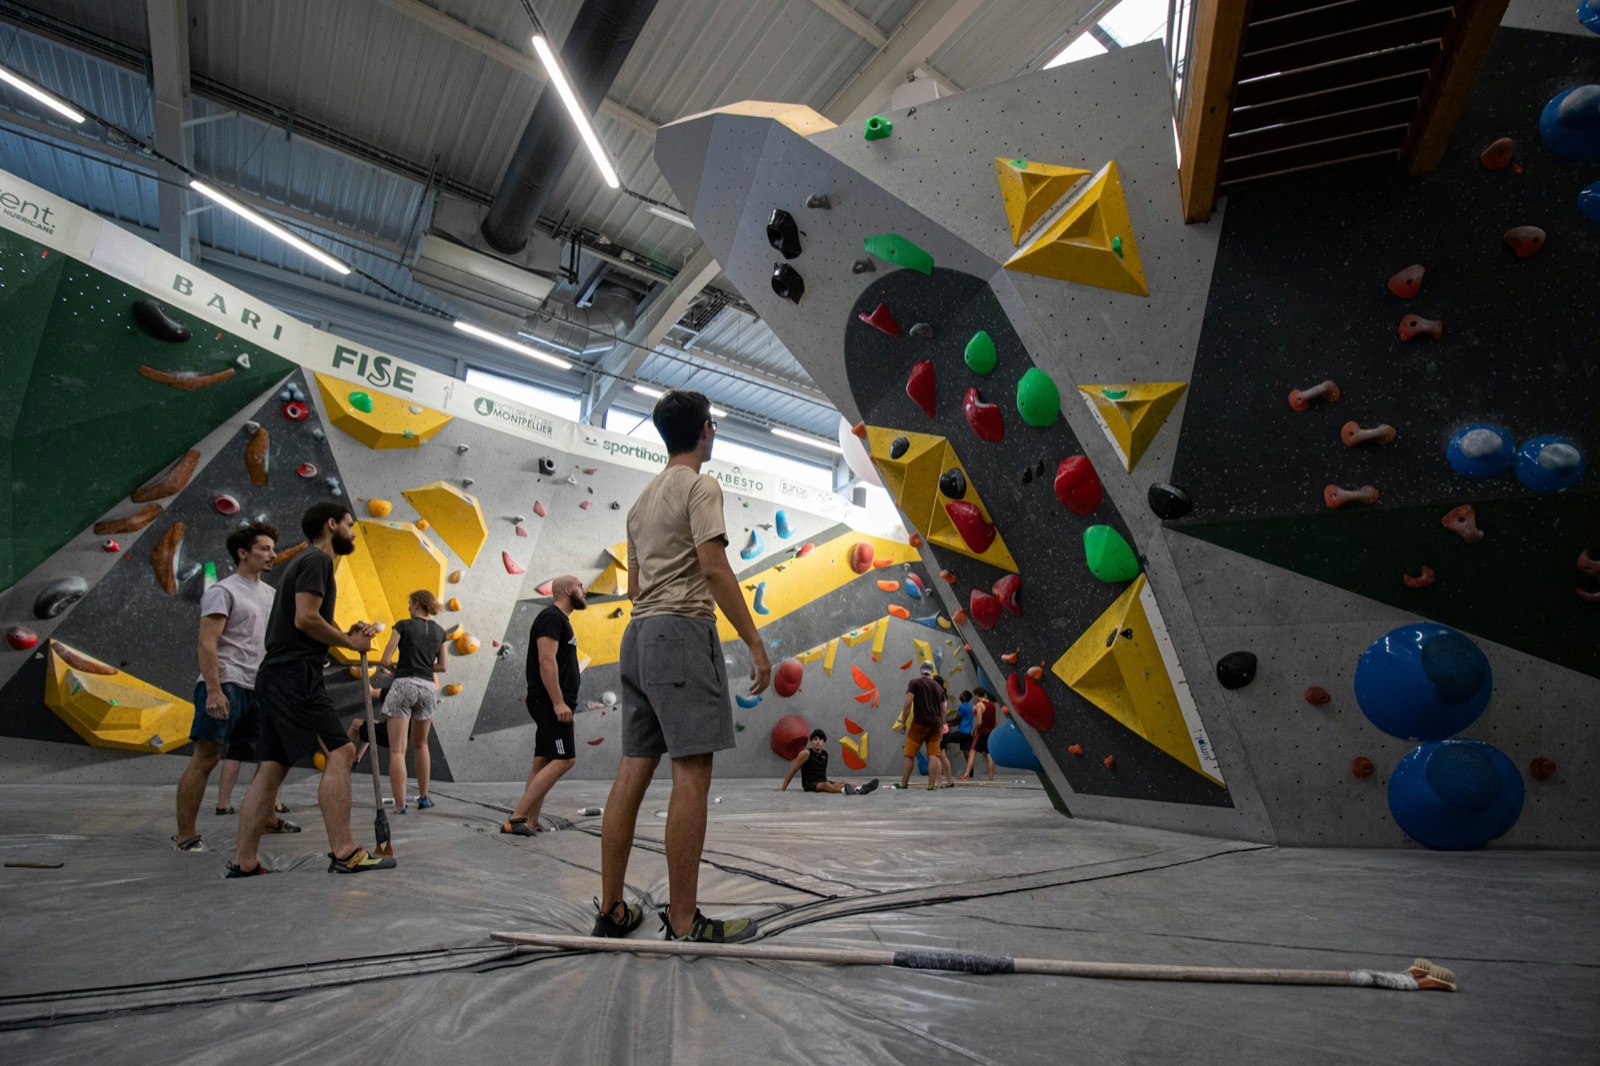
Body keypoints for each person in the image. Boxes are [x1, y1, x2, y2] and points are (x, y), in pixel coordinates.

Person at [592, 390, 770, 944]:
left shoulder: (641, 503)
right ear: (707, 430)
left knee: (633, 768)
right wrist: (756, 644)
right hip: (681, 632)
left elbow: (634, 587)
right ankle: (687, 923)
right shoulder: (700, 486)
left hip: (638, 636)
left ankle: (614, 909)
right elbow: (714, 569)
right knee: (691, 772)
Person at [229, 502, 393, 877]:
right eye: (350, 525)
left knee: (272, 767)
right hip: (295, 675)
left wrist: (347, 634)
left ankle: (244, 861)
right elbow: (306, 620)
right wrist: (351, 645)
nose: (353, 532)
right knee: (342, 750)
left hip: (276, 674)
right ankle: (345, 851)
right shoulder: (318, 561)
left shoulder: (303, 565)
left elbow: (310, 618)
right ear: (331, 524)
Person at [173, 523, 298, 851]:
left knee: (272, 758)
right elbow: (206, 643)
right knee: (207, 757)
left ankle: (268, 819)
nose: (272, 554)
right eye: (265, 548)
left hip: (260, 690)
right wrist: (214, 690)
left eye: (273, 548)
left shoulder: (272, 595)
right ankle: (185, 837)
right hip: (226, 685)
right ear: (243, 553)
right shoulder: (223, 591)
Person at [502, 575, 586, 837]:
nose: (584, 591)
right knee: (564, 759)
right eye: (581, 587)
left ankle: (529, 821)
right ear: (568, 590)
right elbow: (546, 660)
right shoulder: (551, 617)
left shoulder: (560, 620)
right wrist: (559, 702)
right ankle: (517, 818)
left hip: (551, 702)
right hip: (551, 703)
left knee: (543, 761)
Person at [376, 590, 448, 815]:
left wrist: (398, 669)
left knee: (398, 751)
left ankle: (400, 806)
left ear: (417, 604)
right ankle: (424, 798)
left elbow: (385, 659)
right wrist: (424, 667)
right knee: (422, 744)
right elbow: (443, 667)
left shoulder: (403, 626)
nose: (408, 608)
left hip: (404, 684)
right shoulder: (440, 631)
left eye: (410, 603)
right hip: (427, 689)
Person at [778, 729, 879, 795]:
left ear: (824, 742)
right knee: (826, 785)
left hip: (823, 781)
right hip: (810, 784)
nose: (818, 741)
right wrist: (783, 788)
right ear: (811, 741)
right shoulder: (806, 753)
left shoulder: (825, 754)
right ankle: (845, 791)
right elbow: (793, 770)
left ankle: (862, 788)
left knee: (841, 783)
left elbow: (823, 771)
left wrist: (832, 784)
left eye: (821, 739)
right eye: (815, 739)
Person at [899, 661, 947, 790]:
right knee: (933, 755)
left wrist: (903, 722)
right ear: (931, 672)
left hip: (920, 723)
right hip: (935, 724)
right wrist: (941, 727)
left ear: (921, 670)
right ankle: (931, 786)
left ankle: (903, 784)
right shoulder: (938, 687)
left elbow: (908, 703)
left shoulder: (915, 683)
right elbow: (943, 710)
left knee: (909, 754)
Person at [970, 686, 999, 782]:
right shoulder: (991, 705)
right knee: (989, 755)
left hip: (982, 732)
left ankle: (966, 774)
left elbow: (979, 721)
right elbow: (995, 721)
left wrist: (974, 729)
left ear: (977, 695)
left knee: (972, 751)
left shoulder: (979, 705)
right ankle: (991, 777)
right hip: (990, 732)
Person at [948, 689, 977, 781]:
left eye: (961, 693)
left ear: (964, 697)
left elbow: (957, 720)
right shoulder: (970, 707)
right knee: (966, 751)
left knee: (946, 739)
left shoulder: (962, 707)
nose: (959, 694)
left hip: (962, 732)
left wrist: (946, 722)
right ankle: (970, 773)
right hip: (968, 733)